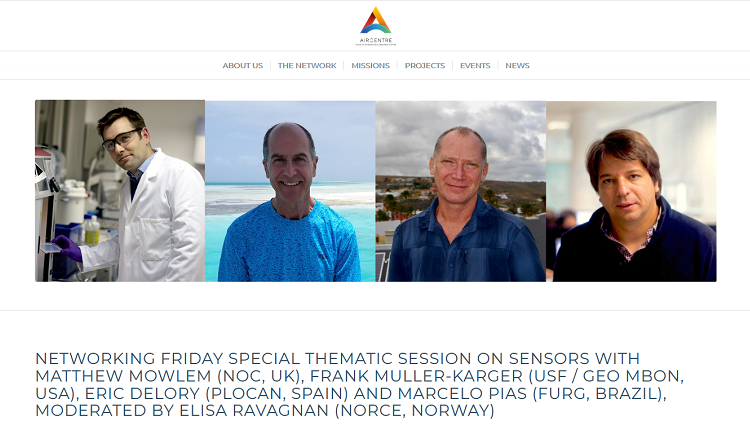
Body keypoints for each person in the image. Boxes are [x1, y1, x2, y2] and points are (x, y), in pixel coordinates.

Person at [53, 107, 205, 281]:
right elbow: (128, 244)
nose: (118, 149)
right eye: (110, 144)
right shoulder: (129, 184)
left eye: (124, 138)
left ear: (145, 135)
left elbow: (190, 248)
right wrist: (82, 254)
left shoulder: (180, 175)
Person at [553, 129, 716, 281]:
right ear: (599, 193)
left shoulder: (701, 242)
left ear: (656, 183)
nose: (622, 190)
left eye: (633, 176)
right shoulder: (574, 246)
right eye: (608, 180)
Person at [388, 126, 544, 281]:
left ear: (484, 171)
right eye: (449, 161)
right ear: (432, 165)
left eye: (470, 164)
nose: (459, 175)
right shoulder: (405, 235)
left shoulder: (513, 234)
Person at [218, 122, 361, 282]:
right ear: (266, 168)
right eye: (279, 160)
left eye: (299, 159)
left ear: (314, 166)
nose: (290, 172)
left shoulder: (340, 234)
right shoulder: (240, 234)